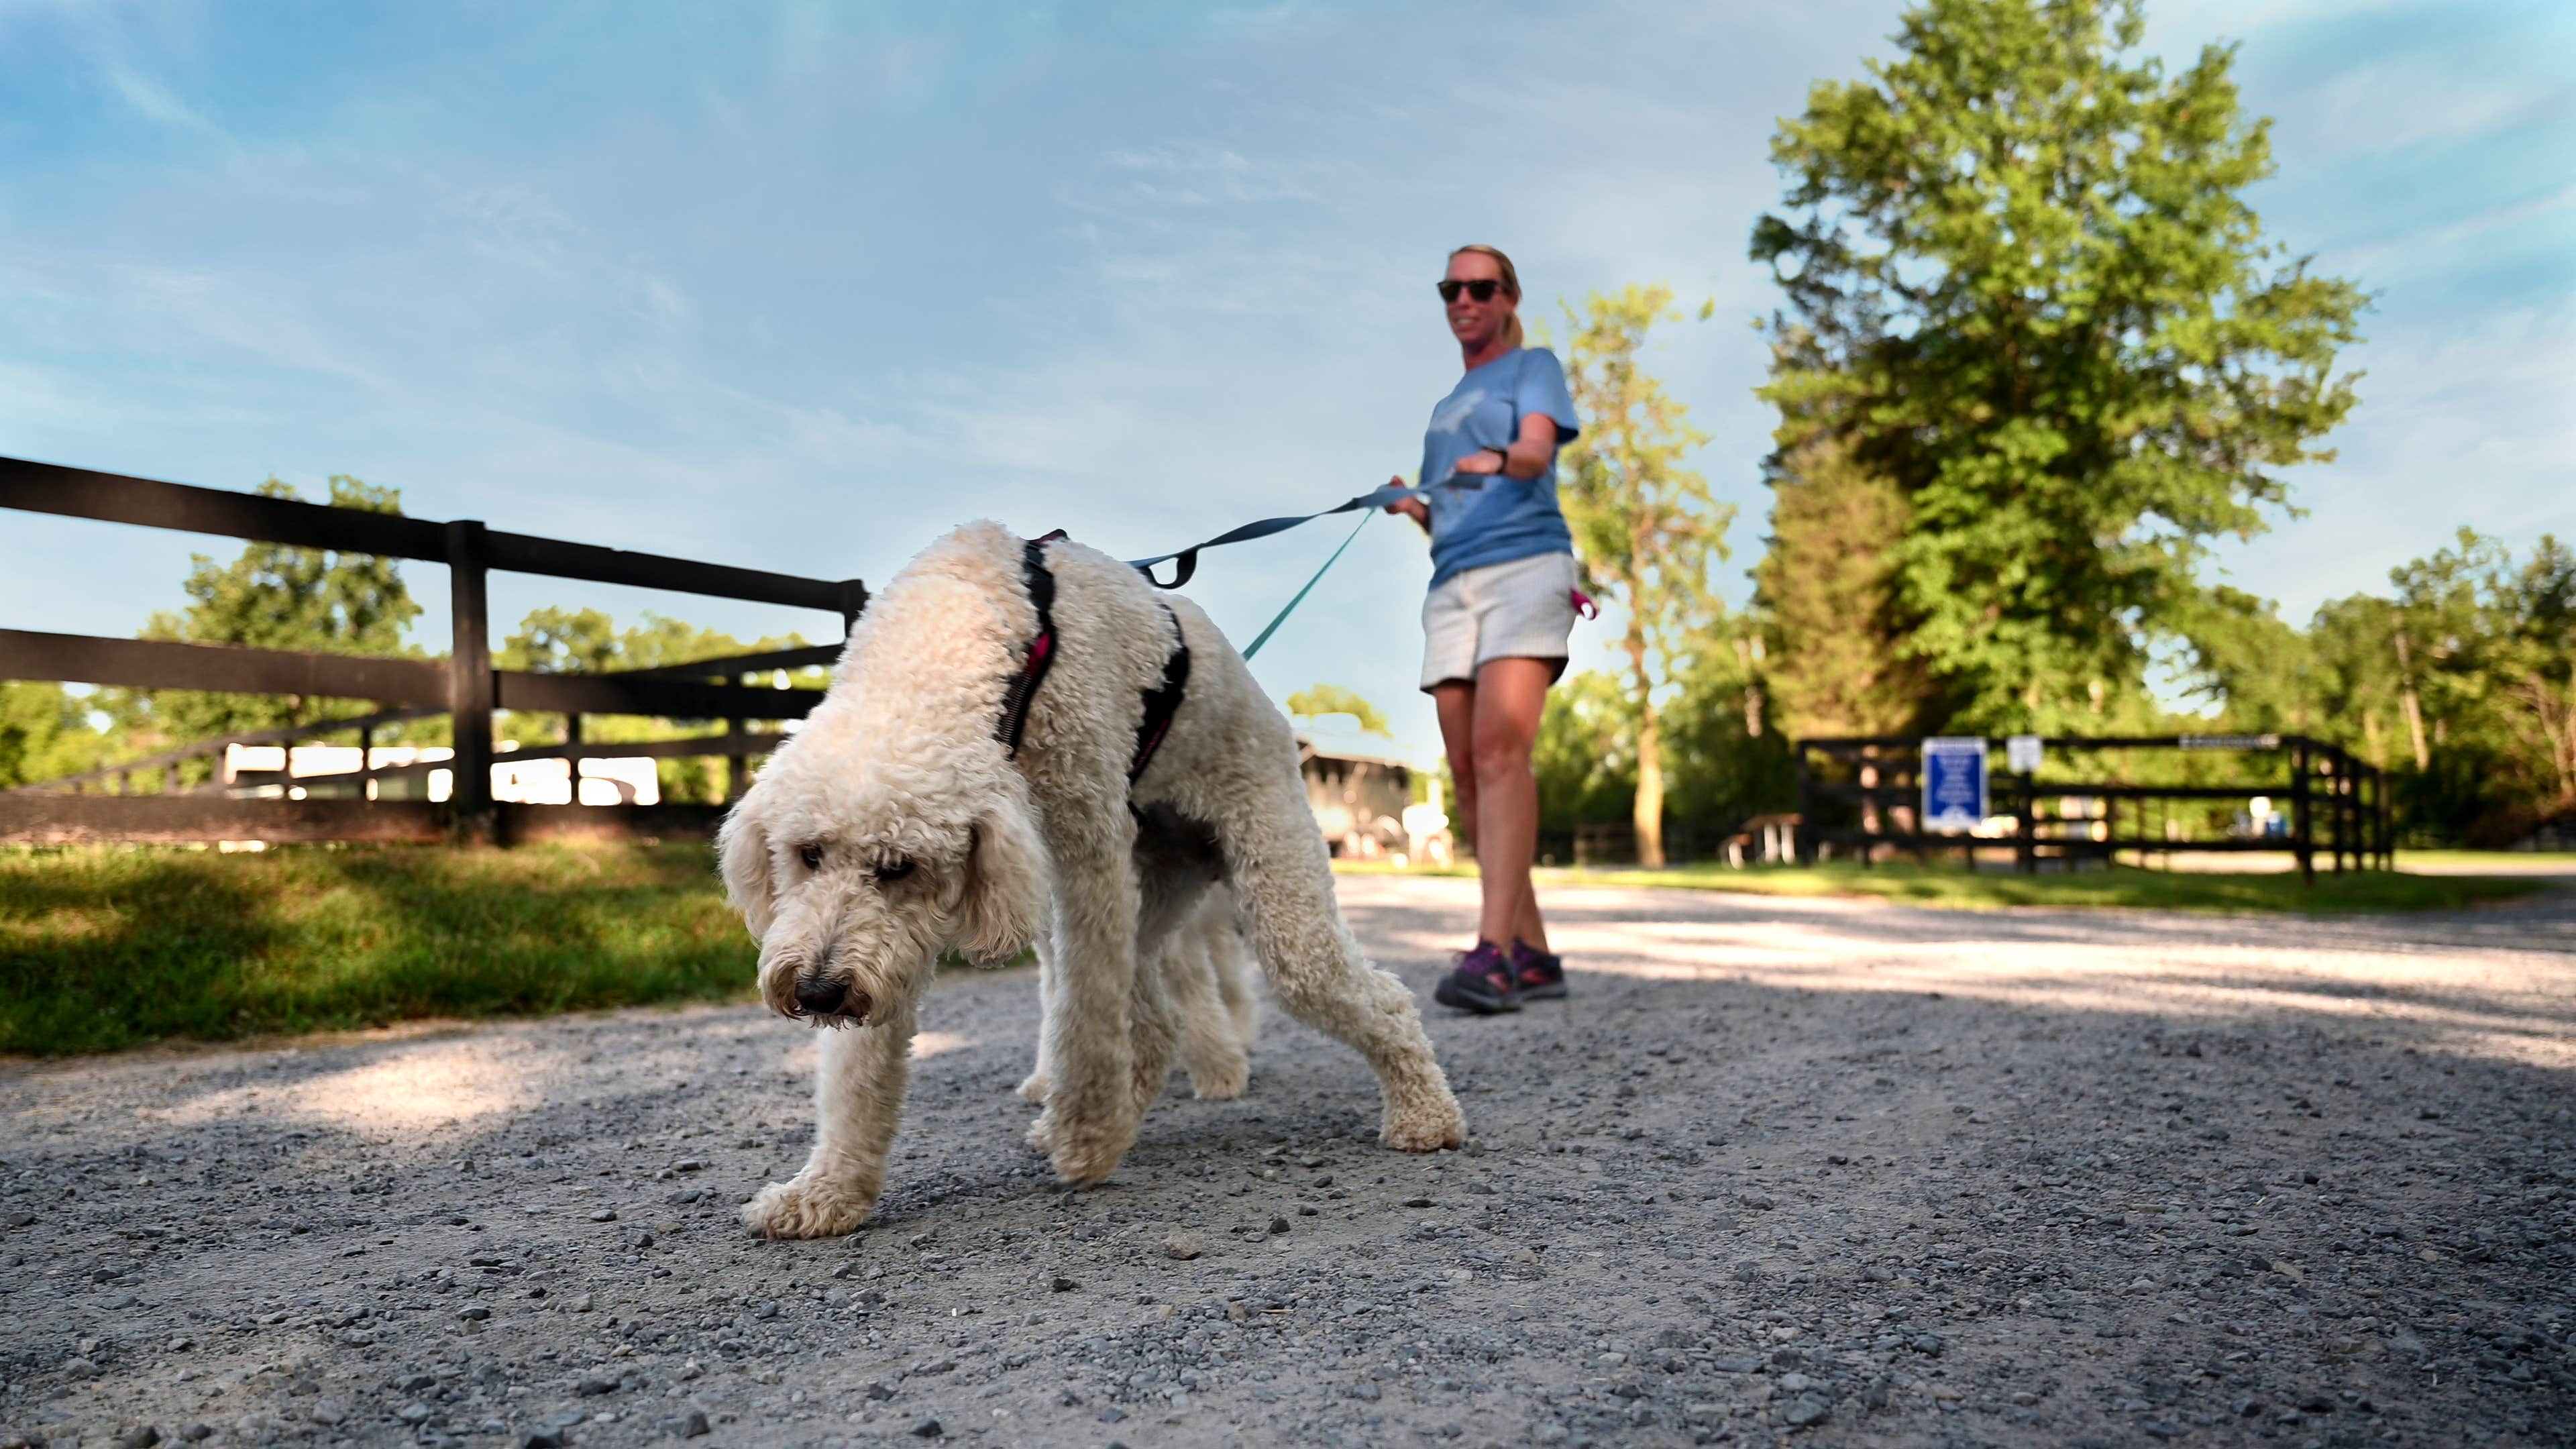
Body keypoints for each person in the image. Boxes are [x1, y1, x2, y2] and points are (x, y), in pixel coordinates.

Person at [1384, 244, 1582, 1015]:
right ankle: (1533, 952)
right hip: (1452, 581)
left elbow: (1534, 452)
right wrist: (1413, 508)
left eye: (1479, 287)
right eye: (1450, 288)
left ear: (1507, 297)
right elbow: (1449, 519)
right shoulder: (1444, 409)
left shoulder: (1534, 367)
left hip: (1526, 568)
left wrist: (1501, 457)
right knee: (1467, 773)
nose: (1463, 299)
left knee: (1502, 753)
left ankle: (1492, 953)